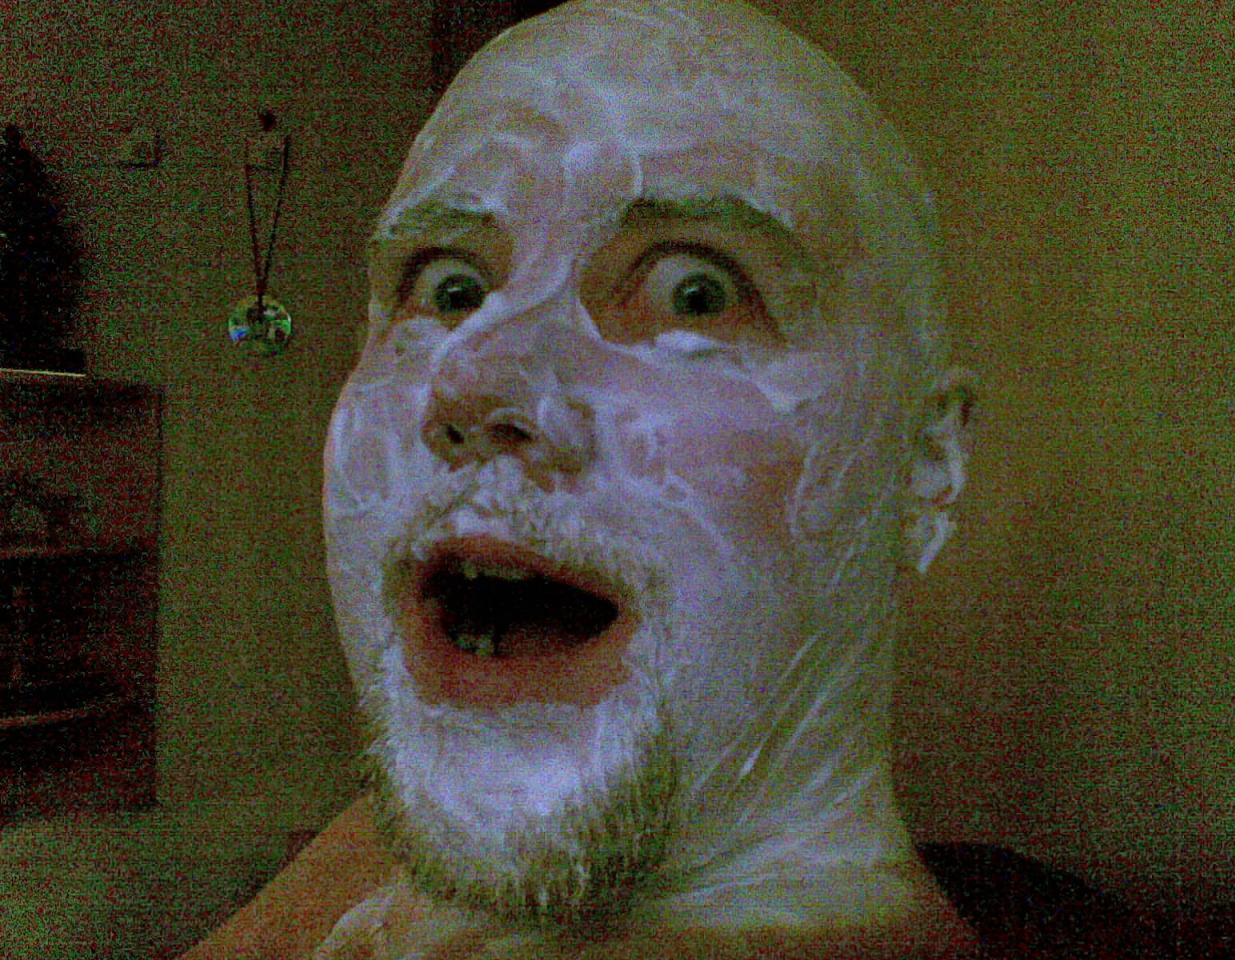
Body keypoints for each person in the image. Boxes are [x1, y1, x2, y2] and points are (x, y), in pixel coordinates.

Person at [183, 0, 976, 956]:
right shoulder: (368, 876)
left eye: (696, 292)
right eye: (449, 288)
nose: (475, 380)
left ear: (926, 471)